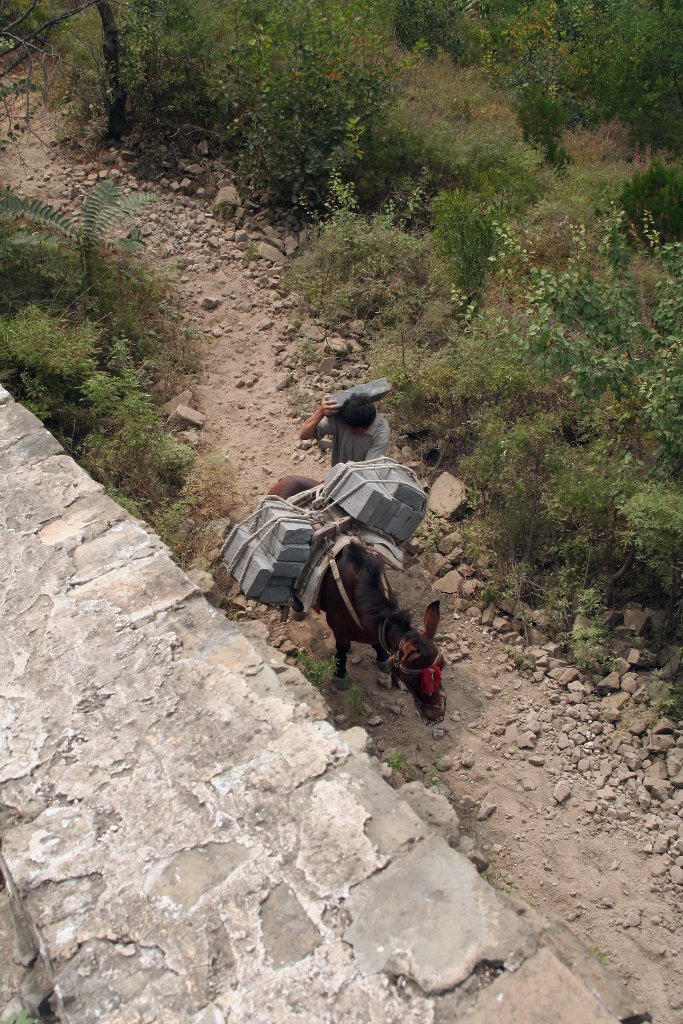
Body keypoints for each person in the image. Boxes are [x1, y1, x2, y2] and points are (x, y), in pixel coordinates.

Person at [299, 393, 390, 466]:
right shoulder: (341, 418)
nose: (351, 431)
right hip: (338, 477)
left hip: (361, 482)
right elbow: (304, 435)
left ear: (367, 425)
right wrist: (320, 413)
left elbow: (369, 471)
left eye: (355, 429)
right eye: (349, 426)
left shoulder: (381, 432)